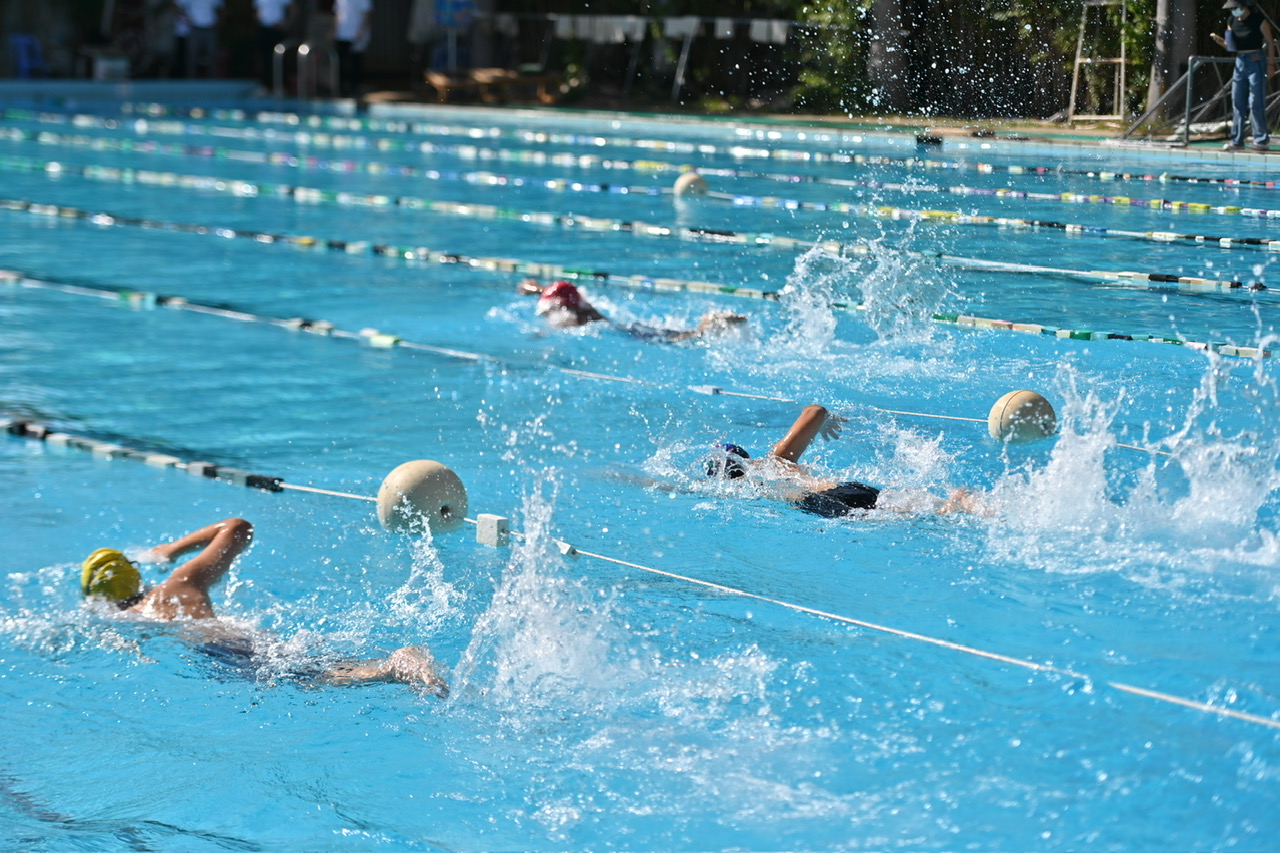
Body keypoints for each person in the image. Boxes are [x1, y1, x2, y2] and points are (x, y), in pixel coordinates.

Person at [79, 518, 448, 694]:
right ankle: (398, 665)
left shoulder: (124, 618)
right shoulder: (179, 583)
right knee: (313, 663)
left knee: (316, 678)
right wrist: (172, 551)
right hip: (243, 637)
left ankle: (395, 666)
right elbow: (236, 528)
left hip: (221, 651)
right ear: (135, 575)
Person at [703, 404, 986, 518]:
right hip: (846, 486)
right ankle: (964, 502)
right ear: (744, 457)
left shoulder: (752, 483)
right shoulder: (777, 460)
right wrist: (823, 423)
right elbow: (815, 410)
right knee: (925, 507)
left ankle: (956, 505)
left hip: (827, 501)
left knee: (926, 518)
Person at [527, 279, 748, 342]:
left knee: (682, 339)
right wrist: (536, 288)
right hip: (626, 328)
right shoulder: (579, 307)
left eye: (550, 313)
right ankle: (705, 326)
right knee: (670, 334)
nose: (550, 318)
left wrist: (542, 335)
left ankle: (706, 326)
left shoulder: (581, 321)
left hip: (626, 334)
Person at [1213, 0, 1276, 151]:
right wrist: (1220, 41)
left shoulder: (1259, 20)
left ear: (1245, 7)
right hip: (1240, 62)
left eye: (1236, 8)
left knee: (1255, 101)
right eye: (1232, 9)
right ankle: (1237, 141)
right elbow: (1231, 46)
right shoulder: (1231, 21)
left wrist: (1271, 64)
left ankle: (1261, 140)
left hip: (1256, 60)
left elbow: (1270, 42)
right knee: (1237, 101)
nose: (1234, 12)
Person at [333, 0, 373, 97]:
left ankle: (356, 87)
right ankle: (342, 88)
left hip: (356, 34)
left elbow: (368, 13)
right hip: (342, 34)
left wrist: (362, 30)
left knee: (356, 61)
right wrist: (334, 30)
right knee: (341, 61)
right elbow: (338, 15)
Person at [254, 0, 295, 90]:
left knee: (279, 57)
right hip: (264, 29)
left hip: (277, 29)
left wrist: (287, 24)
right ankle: (265, 85)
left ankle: (281, 86)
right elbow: (258, 10)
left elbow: (292, 8)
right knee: (265, 58)